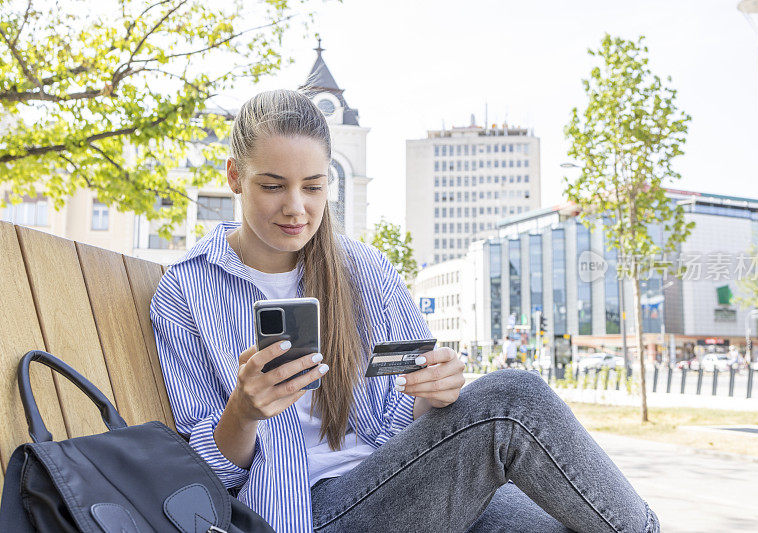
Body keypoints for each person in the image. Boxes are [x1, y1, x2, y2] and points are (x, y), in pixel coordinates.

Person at [150, 90, 659, 533]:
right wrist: (243, 411)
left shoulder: (364, 268)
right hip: (304, 510)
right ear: (235, 177)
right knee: (513, 399)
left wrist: (438, 387)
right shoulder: (187, 290)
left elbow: (411, 402)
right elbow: (206, 473)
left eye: (313, 186)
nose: (296, 208)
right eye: (272, 185)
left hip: (411, 478)